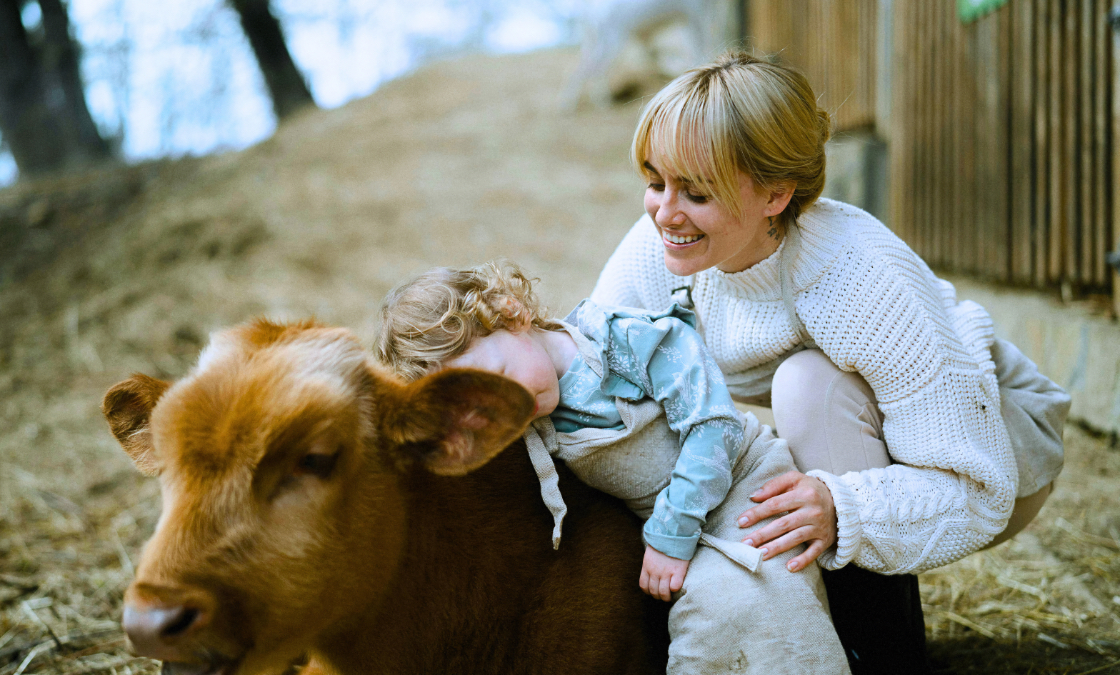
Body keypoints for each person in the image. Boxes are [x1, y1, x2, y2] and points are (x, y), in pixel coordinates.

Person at [591, 50, 1071, 674]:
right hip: (870, 436)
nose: (665, 212)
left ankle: (882, 654)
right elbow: (595, 358)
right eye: (656, 182)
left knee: (807, 387)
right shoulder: (663, 243)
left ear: (776, 194)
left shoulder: (855, 274)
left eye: (697, 192)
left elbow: (976, 487)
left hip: (987, 444)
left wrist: (843, 508)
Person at [374, 261, 851, 674]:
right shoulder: (529, 413)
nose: (503, 407)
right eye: (474, 409)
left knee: (728, 604)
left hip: (744, 486)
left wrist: (670, 535)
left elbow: (713, 428)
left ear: (510, 313)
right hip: (672, 519)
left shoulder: (623, 341)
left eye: (497, 380)